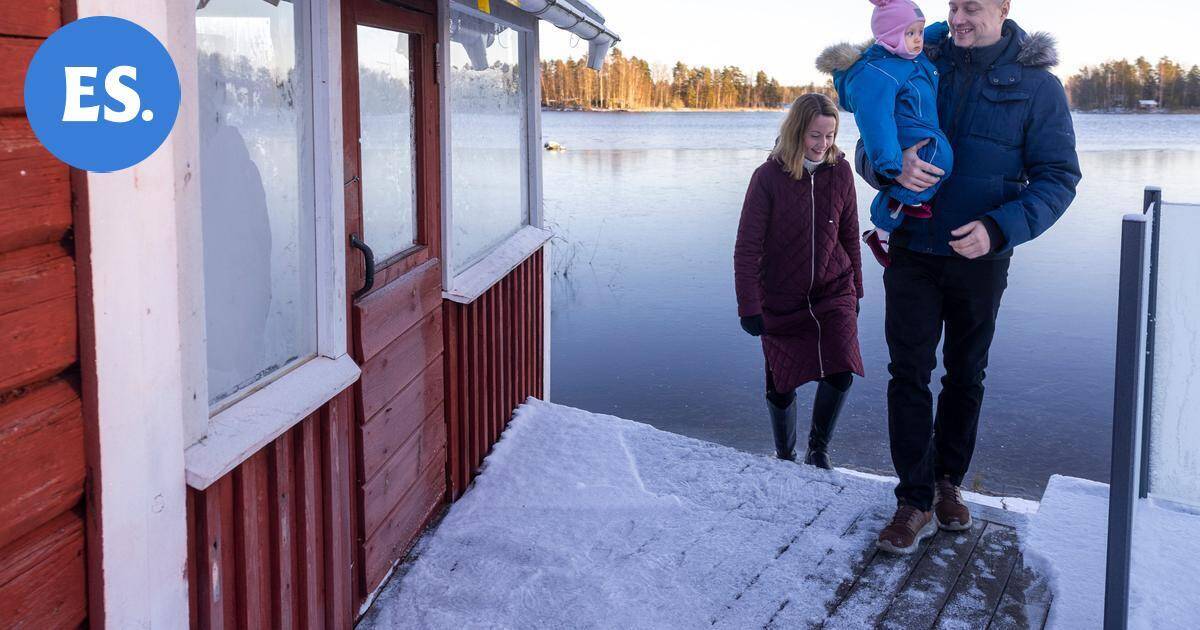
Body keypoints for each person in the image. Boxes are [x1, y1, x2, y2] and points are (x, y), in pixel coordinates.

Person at [854, 0, 1081, 555]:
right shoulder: (910, 57)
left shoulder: (1037, 86)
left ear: (1003, 8)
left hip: (981, 259)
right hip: (912, 247)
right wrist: (889, 166)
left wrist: (1000, 229)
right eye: (953, 5)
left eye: (972, 8)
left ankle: (949, 481)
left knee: (965, 374)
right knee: (907, 371)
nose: (958, 18)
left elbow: (1059, 177)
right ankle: (913, 501)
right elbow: (865, 139)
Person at [733, 93, 865, 470]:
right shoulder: (768, 177)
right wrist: (749, 305)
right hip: (780, 296)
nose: (823, 145)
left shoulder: (839, 171)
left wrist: (856, 286)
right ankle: (785, 455)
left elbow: (849, 233)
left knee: (841, 372)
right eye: (814, 136)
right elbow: (746, 248)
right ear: (796, 133)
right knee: (781, 384)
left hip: (832, 289)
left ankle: (818, 451)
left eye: (829, 135)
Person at [817, 0, 955, 268]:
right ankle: (886, 222)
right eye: (911, 33)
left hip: (918, 127)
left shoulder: (908, 56)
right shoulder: (880, 71)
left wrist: (941, 29)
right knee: (940, 159)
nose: (918, 40)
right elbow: (875, 121)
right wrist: (889, 163)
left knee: (937, 163)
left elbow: (924, 37)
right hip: (902, 134)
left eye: (920, 31)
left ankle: (888, 222)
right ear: (891, 36)